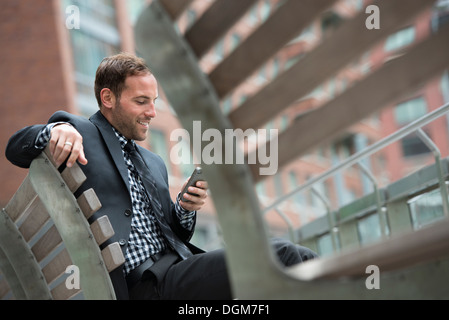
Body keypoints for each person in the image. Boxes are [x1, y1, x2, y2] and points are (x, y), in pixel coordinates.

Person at [5, 52, 318, 300]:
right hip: (146, 283)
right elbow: (15, 147)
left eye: (153, 102)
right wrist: (53, 131)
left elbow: (174, 234)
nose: (152, 112)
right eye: (141, 101)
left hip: (177, 272)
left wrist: (184, 209)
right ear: (108, 98)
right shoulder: (81, 131)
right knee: (285, 256)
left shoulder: (154, 162)